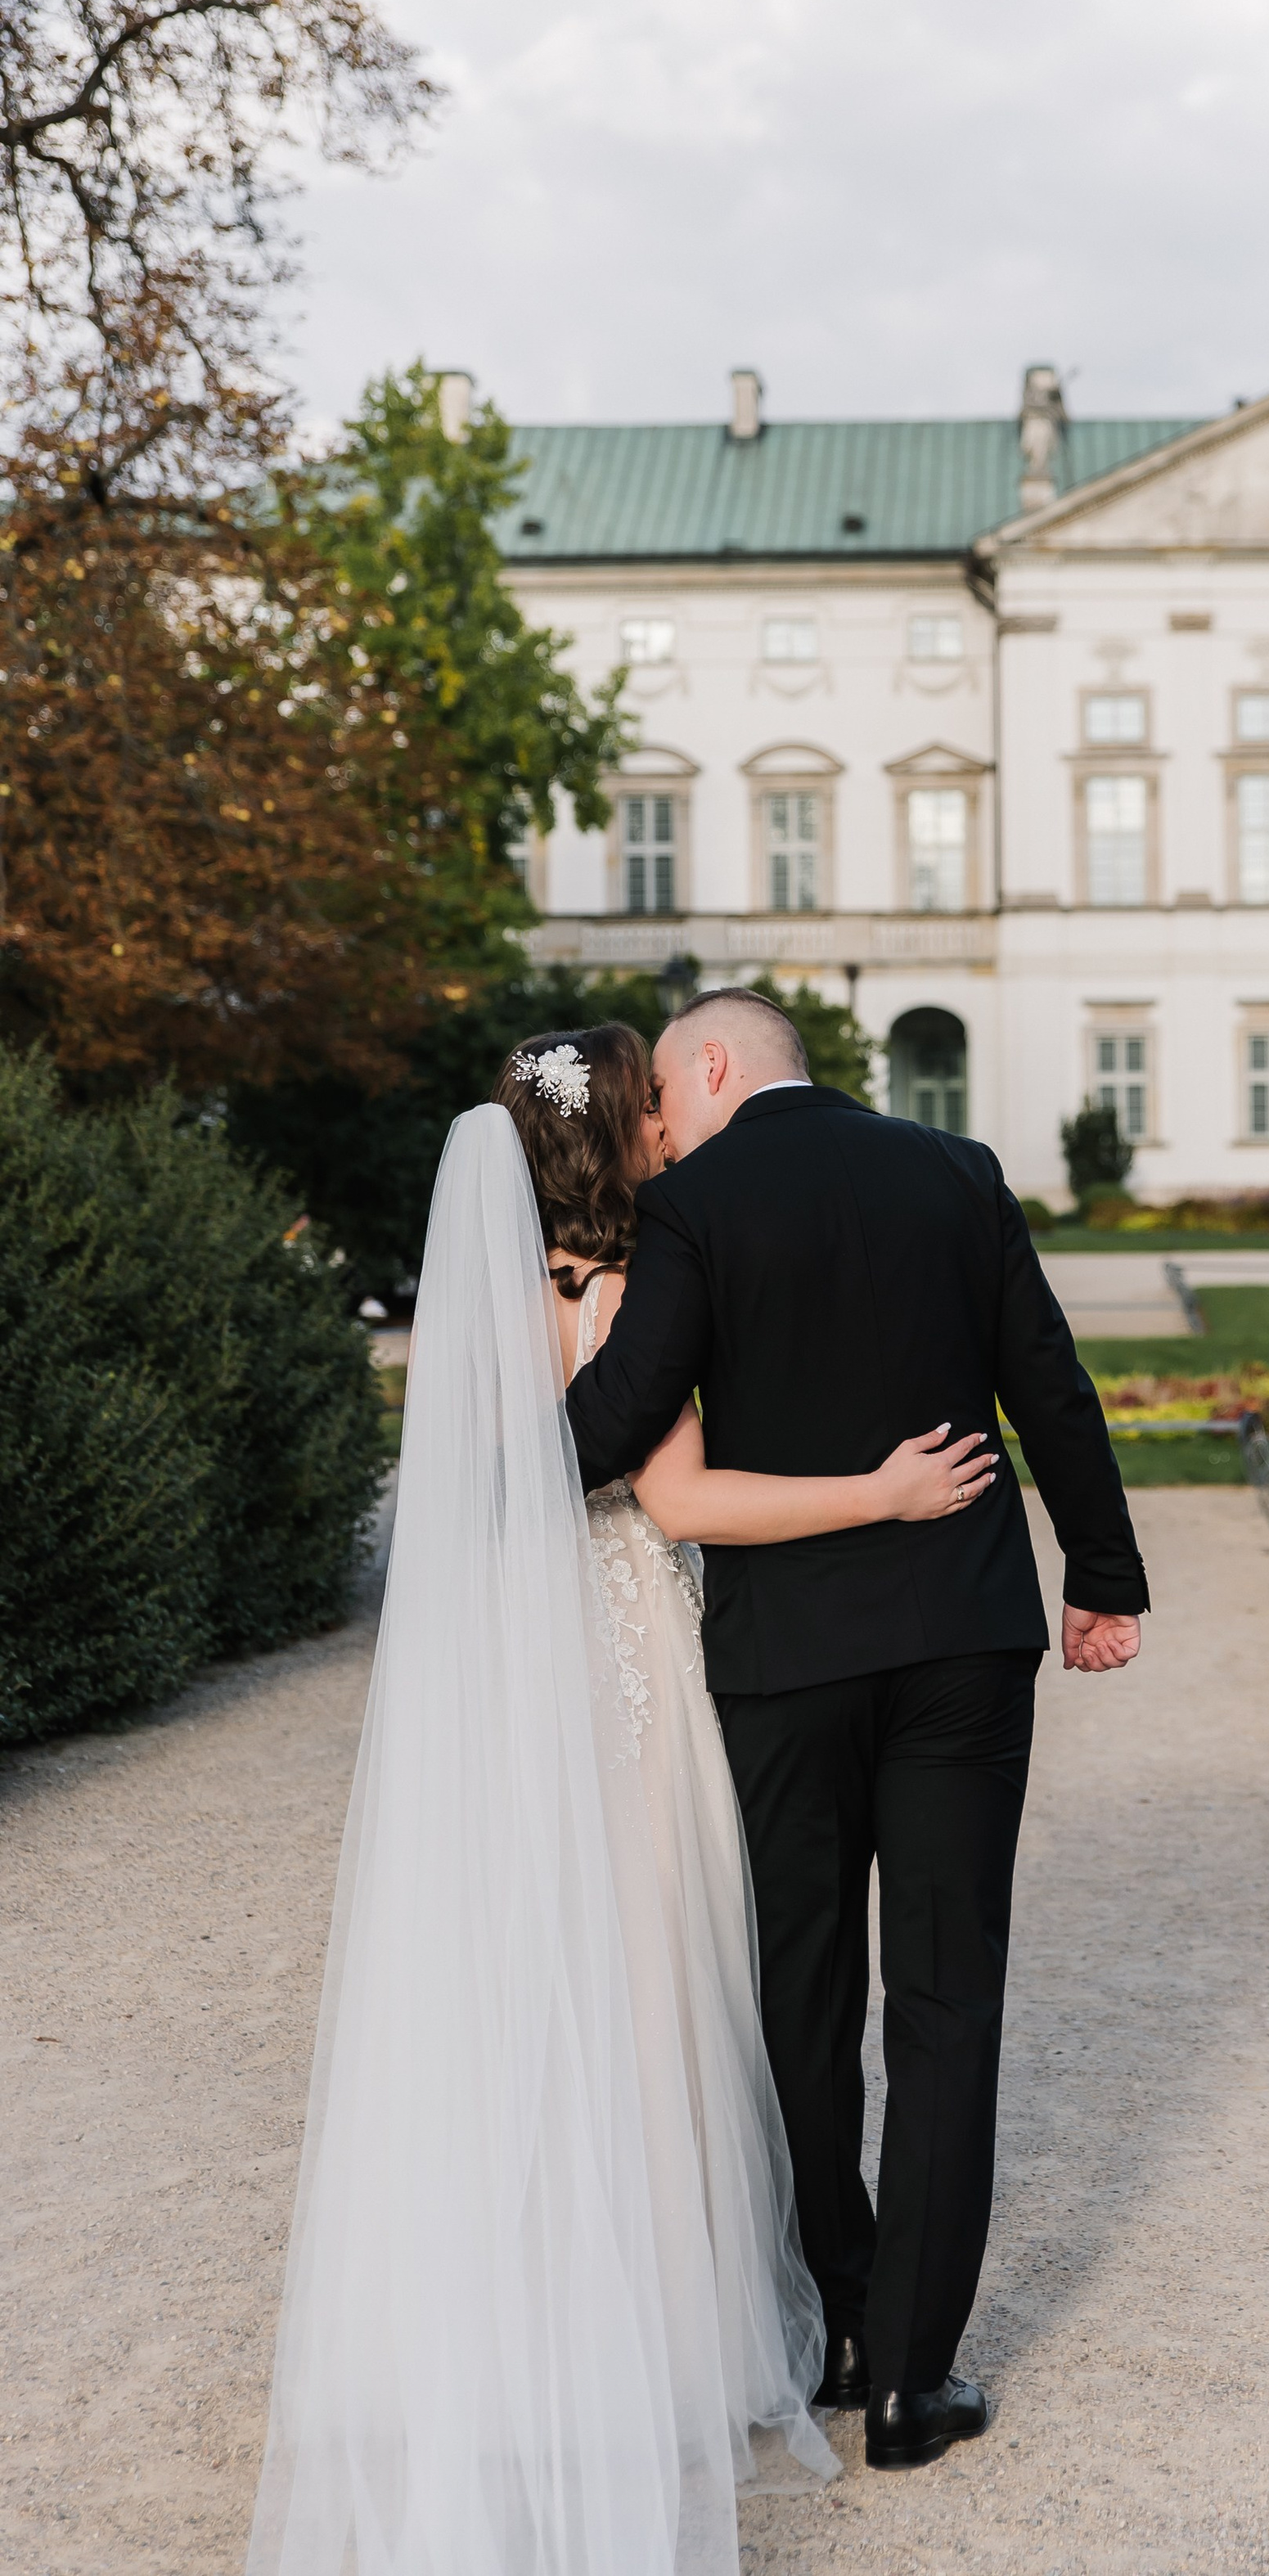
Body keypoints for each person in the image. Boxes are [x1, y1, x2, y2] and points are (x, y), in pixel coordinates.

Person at [246, 1022, 997, 2576]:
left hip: (517, 1650)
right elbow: (673, 1499)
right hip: (630, 1654)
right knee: (655, 1980)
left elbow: (502, 1479)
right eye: (649, 1104)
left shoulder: (491, 1294)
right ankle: (654, 2339)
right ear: (622, 1136)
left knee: (521, 1983)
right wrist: (887, 1490)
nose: (670, 1122)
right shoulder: (636, 1277)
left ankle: (494, 2329)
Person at [565, 985, 1150, 2471]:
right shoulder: (956, 1174)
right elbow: (1050, 1389)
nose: (660, 1126)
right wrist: (1103, 1575)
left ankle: (834, 2317)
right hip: (961, 1635)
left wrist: (521, 1423)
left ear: (709, 1068)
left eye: (669, 1096)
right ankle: (910, 2379)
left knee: (803, 1997)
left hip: (786, 1662)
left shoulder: (695, 1204)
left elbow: (622, 1420)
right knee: (948, 2002)